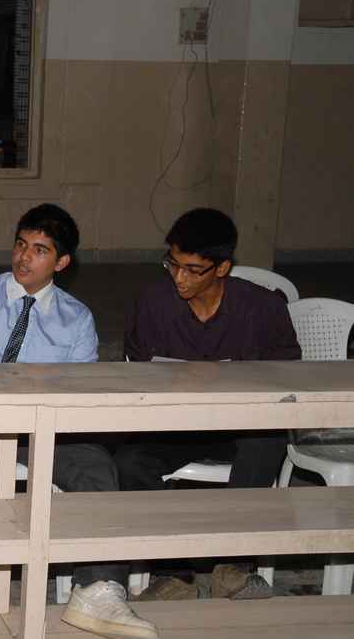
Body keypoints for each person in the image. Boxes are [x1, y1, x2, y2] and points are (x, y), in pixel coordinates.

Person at [0, 204, 160, 639]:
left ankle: (98, 588)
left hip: (42, 430)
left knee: (95, 464)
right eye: (20, 244)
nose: (24, 257)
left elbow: (79, 398)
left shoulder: (77, 318)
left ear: (62, 262)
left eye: (40, 250)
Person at [116, 207, 301, 601]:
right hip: (174, 426)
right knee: (129, 460)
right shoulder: (152, 303)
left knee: (267, 441)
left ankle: (232, 566)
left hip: (241, 427)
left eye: (193, 270)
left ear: (222, 268)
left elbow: (287, 375)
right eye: (173, 264)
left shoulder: (263, 308)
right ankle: (174, 573)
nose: (179, 278)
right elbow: (136, 371)